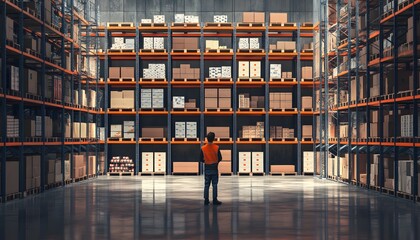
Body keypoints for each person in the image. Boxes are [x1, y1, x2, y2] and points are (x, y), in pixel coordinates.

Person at [200, 132, 222, 205]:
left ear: (206, 138)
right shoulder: (216, 147)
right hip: (214, 168)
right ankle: (215, 200)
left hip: (207, 167)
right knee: (214, 184)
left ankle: (206, 200)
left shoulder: (203, 148)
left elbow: (201, 159)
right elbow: (220, 158)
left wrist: (206, 161)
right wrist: (215, 162)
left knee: (206, 184)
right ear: (214, 139)